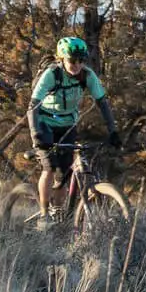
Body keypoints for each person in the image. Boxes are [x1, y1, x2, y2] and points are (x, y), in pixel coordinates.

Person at [27, 36, 120, 219]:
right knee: (49, 167)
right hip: (45, 124)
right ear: (62, 59)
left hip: (68, 126)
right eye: (72, 60)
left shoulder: (87, 75)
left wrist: (113, 131)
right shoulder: (52, 74)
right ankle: (44, 216)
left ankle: (58, 215)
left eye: (80, 60)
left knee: (64, 174)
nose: (76, 64)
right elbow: (33, 105)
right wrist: (35, 133)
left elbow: (102, 103)